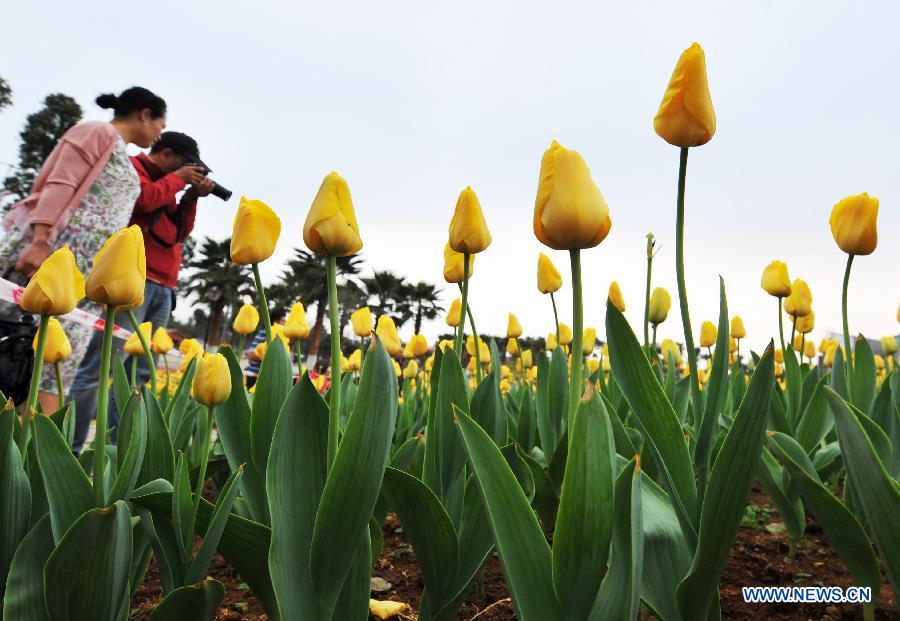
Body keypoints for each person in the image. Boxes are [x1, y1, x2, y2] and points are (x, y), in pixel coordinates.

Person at [0, 86, 167, 414]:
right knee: (15, 348)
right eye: (161, 125)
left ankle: (29, 458)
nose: (160, 135)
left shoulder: (120, 150)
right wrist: (40, 241)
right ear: (145, 115)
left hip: (80, 287)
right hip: (50, 265)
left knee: (53, 369)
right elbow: (60, 183)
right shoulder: (96, 132)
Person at [68, 132, 215, 453]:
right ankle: (72, 450)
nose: (190, 172)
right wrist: (177, 180)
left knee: (140, 371)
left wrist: (189, 199)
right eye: (187, 165)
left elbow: (177, 234)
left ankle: (114, 448)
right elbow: (142, 201)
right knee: (103, 365)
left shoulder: (168, 187)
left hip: (163, 286)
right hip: (131, 281)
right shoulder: (133, 170)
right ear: (164, 154)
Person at [244, 309, 286, 388]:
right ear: (276, 322)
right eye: (283, 321)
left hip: (270, 378)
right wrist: (269, 356)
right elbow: (250, 355)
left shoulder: (283, 337)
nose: (285, 324)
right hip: (255, 376)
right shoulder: (264, 333)